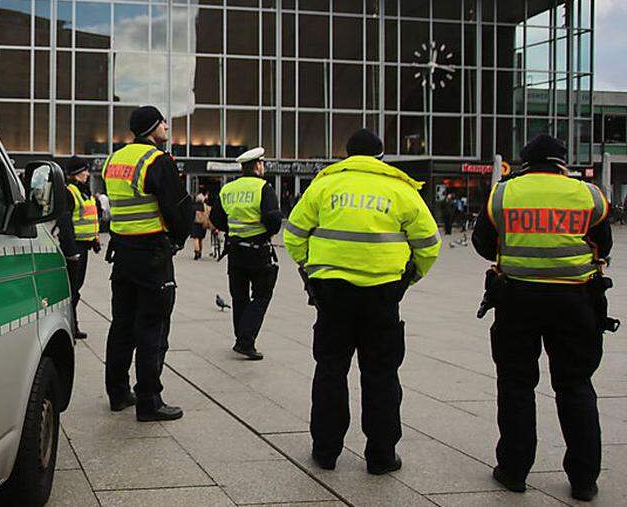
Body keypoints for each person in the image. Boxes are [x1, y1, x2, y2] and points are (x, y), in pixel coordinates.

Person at [284, 129, 440, 475]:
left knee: (330, 371)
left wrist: (311, 270)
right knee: (382, 375)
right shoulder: (400, 189)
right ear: (381, 156)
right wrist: (407, 279)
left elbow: (293, 235)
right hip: (382, 296)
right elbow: (430, 244)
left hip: (332, 295)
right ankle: (382, 456)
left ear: (348, 154)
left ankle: (325, 452)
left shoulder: (325, 186)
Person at [472, 134, 612, 502]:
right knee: (576, 386)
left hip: (517, 299)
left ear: (525, 161)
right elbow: (603, 245)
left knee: (516, 385)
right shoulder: (590, 195)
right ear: (562, 163)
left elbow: (484, 243)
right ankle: (584, 480)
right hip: (576, 300)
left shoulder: (504, 193)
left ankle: (514, 471)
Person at [103, 105, 193, 422]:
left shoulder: (114, 160)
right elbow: (178, 207)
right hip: (152, 254)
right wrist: (179, 239)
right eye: (163, 122)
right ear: (152, 127)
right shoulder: (156, 160)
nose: (167, 126)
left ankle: (117, 392)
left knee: (122, 324)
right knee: (152, 327)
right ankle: (149, 401)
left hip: (122, 253)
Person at [210, 147, 282, 360]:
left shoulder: (228, 189)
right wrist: (266, 231)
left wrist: (234, 229)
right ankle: (246, 340)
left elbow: (216, 218)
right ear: (258, 165)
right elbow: (273, 220)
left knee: (239, 296)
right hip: (259, 251)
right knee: (261, 295)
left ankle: (240, 337)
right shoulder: (264, 187)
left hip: (235, 251)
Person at [55, 155, 100, 341]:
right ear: (75, 173)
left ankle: (73, 326)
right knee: (71, 290)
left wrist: (95, 240)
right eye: (84, 170)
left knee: (76, 288)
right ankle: (69, 328)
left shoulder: (84, 191)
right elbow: (65, 224)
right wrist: (71, 250)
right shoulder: (70, 192)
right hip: (74, 250)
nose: (88, 174)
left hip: (84, 246)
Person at [191, 190, 209, 260]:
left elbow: (191, 216)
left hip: (195, 224)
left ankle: (196, 252)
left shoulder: (193, 206)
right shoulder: (205, 207)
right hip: (202, 224)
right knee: (201, 239)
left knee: (196, 238)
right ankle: (200, 252)